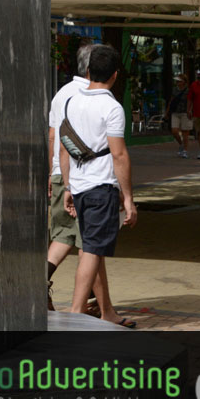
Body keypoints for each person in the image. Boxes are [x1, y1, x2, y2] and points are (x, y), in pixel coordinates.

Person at [61, 44, 138, 327]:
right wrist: (128, 197)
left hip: (80, 185)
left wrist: (68, 186)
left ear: (89, 71)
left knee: (94, 248)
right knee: (92, 250)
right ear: (115, 75)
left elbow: (65, 146)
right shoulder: (112, 107)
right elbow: (119, 154)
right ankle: (77, 311)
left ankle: (107, 313)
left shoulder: (72, 101)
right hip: (100, 186)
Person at [47, 42, 118, 318]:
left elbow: (54, 137)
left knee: (85, 243)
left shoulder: (63, 93)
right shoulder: (91, 97)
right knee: (86, 245)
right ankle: (80, 308)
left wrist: (53, 174)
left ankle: (105, 309)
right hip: (80, 178)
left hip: (62, 174)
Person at [167, 73, 192, 157]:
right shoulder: (175, 90)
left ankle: (185, 150)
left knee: (185, 132)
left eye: (179, 81)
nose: (177, 82)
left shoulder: (188, 90)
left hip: (185, 112)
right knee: (174, 130)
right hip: (175, 112)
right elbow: (171, 100)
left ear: (184, 82)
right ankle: (181, 144)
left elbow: (191, 101)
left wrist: (190, 110)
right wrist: (168, 111)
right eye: (177, 81)